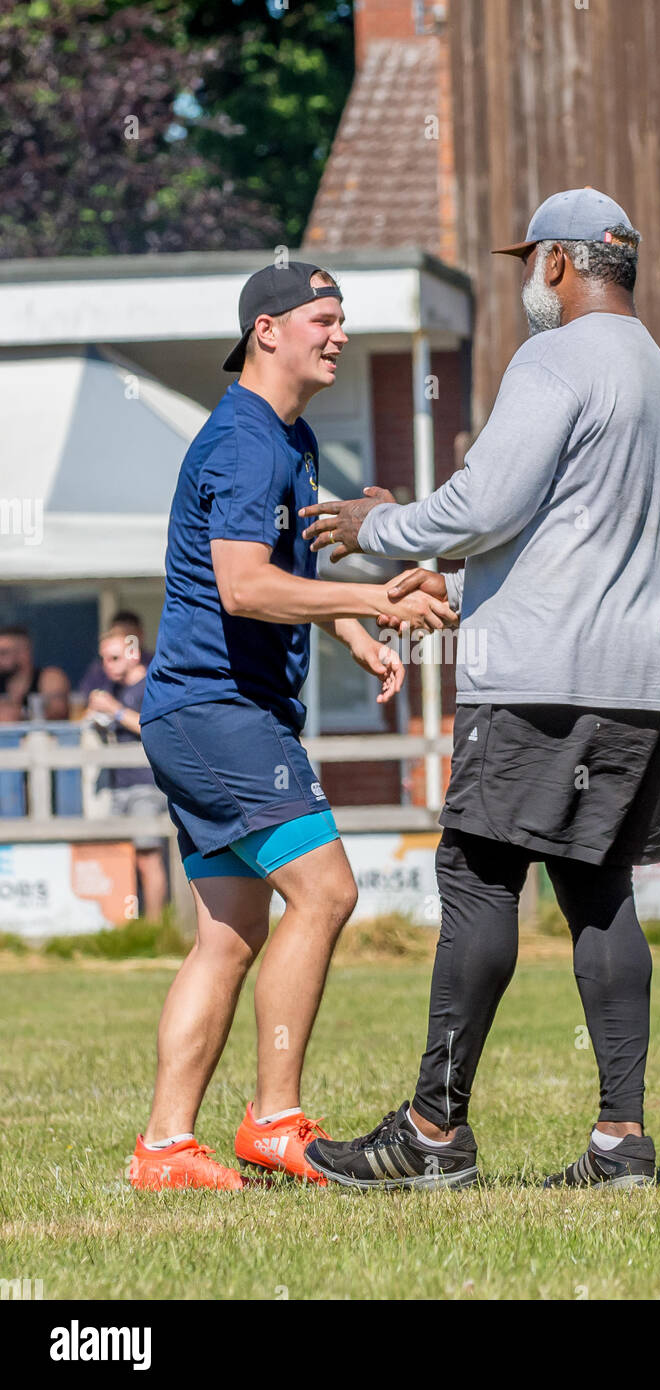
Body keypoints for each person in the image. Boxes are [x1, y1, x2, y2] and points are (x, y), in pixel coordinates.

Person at [298, 188, 660, 1191]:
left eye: (528, 261)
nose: (525, 279)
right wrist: (460, 580)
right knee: (600, 892)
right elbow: (567, 534)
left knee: (478, 878)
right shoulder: (657, 373)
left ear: (559, 262)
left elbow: (487, 502)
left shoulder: (552, 358)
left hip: (541, 682)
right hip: (642, 680)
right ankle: (621, 1141)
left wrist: (380, 527)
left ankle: (433, 1133)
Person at [128, 260, 456, 1192]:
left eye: (342, 319)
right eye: (324, 318)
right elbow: (244, 586)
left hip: (203, 713)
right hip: (219, 712)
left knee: (229, 934)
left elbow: (290, 565)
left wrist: (352, 633)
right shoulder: (246, 443)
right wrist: (377, 599)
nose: (340, 334)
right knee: (326, 892)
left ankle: (164, 1147)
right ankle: (274, 1121)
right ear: (266, 332)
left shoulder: (291, 437)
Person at [86, 629, 168, 920]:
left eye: (114, 657)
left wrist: (115, 710)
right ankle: (127, 926)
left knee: (148, 857)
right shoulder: (114, 688)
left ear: (133, 654)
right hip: (119, 786)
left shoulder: (151, 685)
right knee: (119, 860)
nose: (107, 665)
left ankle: (156, 927)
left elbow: (154, 729)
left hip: (147, 785)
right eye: (103, 659)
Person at [0, 625, 69, 720]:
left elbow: (58, 712)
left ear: (23, 653)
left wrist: (19, 714)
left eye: (3, 653)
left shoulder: (50, 678)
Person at [79, 611, 152, 702]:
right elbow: (84, 696)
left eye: (115, 658)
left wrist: (114, 708)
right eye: (115, 634)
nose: (107, 665)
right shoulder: (103, 676)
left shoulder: (154, 677)